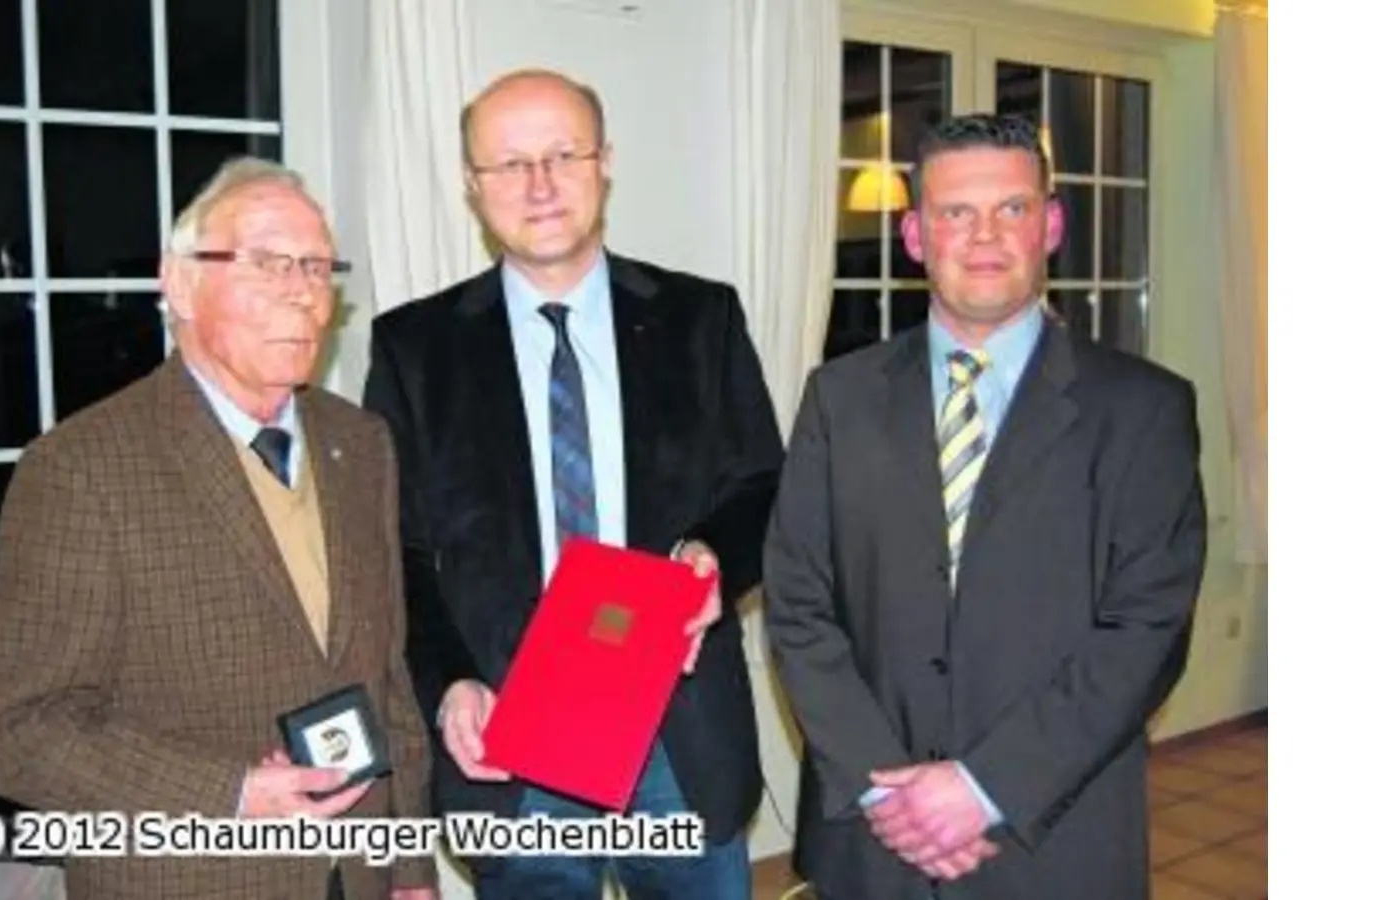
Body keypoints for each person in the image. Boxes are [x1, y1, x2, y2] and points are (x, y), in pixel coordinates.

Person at [0, 157, 440, 900]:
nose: (303, 292)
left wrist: (408, 865)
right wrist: (232, 793)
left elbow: (388, 677)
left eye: (316, 266)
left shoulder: (362, 443)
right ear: (179, 283)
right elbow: (10, 729)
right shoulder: (83, 469)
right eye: (269, 263)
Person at [361, 68, 784, 899]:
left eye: (563, 154)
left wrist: (712, 557)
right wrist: (448, 683)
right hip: (509, 735)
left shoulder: (703, 319)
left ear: (606, 163)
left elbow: (764, 487)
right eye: (509, 164)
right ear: (472, 187)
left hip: (678, 721)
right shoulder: (414, 348)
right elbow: (395, 549)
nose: (541, 184)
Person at [762, 113, 1208, 900]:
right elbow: (799, 604)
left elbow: (1147, 629)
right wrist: (886, 791)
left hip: (1055, 837)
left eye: (1012, 208)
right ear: (913, 235)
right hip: (875, 840)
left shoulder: (1144, 409)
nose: (984, 235)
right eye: (954, 212)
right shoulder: (840, 398)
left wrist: (983, 787)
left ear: (1053, 224)